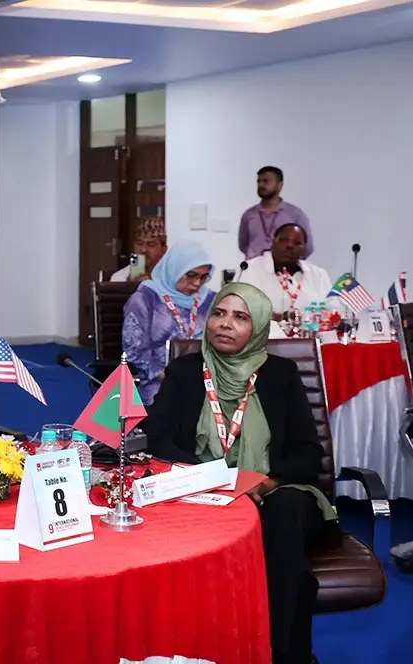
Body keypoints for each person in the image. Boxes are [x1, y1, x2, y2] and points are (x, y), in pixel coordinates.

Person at [145, 283, 338, 664]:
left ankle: (277, 653)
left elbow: (307, 452)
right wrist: (210, 481)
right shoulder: (184, 372)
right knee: (287, 566)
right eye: (219, 313)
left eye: (240, 317)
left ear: (260, 327)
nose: (225, 324)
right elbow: (157, 441)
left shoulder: (281, 375)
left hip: (272, 494)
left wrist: (267, 483)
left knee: (285, 518)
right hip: (201, 495)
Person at [121, 240, 215, 405]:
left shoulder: (211, 300)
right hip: (159, 382)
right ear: (175, 269)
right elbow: (135, 352)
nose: (197, 283)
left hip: (204, 380)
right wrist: (171, 377)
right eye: (191, 275)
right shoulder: (145, 299)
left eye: (203, 277)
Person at [238, 223, 332, 319]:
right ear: (273, 242)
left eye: (297, 243)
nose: (289, 246)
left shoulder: (319, 275)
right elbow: (240, 308)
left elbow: (331, 309)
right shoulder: (250, 269)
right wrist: (280, 317)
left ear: (304, 249)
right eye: (283, 240)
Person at [239, 166, 313, 260]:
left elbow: (307, 248)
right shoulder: (249, 215)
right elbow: (243, 245)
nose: (261, 185)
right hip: (254, 266)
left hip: (284, 267)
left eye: (266, 181)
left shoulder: (295, 214)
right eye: (259, 181)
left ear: (279, 185)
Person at [109, 217, 167, 282]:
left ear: (164, 250)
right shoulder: (119, 277)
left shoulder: (171, 276)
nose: (143, 250)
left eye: (151, 245)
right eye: (139, 244)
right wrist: (129, 285)